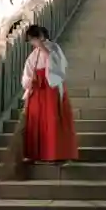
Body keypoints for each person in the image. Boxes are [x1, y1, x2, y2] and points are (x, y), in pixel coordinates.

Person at [21, 24, 78, 163]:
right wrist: (30, 80)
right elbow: (27, 73)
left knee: (53, 118)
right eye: (31, 40)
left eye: (34, 39)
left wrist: (43, 48)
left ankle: (57, 154)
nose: (33, 43)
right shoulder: (33, 55)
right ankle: (36, 153)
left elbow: (59, 66)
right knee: (36, 120)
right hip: (38, 89)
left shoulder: (53, 48)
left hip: (50, 88)